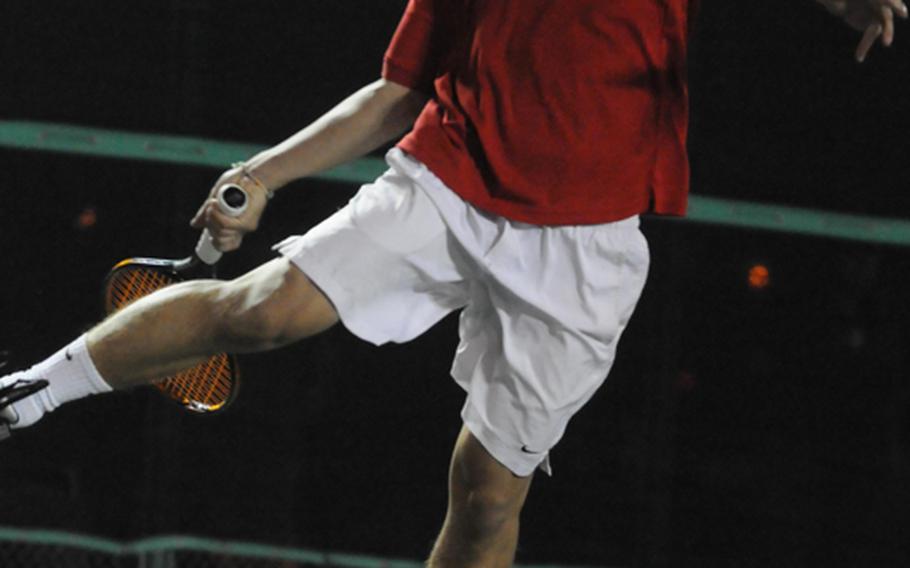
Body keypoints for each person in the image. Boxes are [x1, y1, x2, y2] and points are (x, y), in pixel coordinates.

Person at [1, 1, 905, 566]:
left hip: (586, 243)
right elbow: (398, 89)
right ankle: (29, 394)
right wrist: (264, 174)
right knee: (262, 311)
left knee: (485, 496)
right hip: (448, 182)